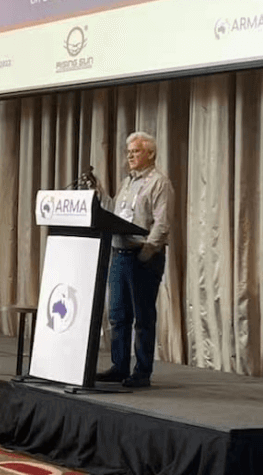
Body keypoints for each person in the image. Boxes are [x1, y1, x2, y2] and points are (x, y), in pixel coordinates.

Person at [96, 131, 174, 388]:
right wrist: (100, 194)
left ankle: (142, 372)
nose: (130, 156)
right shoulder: (127, 182)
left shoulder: (159, 183)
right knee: (118, 315)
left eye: (136, 151)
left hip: (143, 257)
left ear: (150, 154)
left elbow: (162, 223)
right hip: (119, 255)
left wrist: (147, 252)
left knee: (143, 317)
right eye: (128, 152)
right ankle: (119, 367)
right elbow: (116, 214)